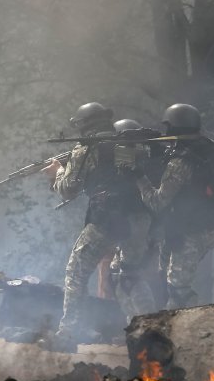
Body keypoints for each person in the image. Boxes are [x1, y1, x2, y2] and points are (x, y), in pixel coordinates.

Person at [40, 103, 155, 351]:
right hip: (140, 217)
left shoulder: (86, 148)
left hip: (108, 217)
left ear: (83, 125)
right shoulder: (130, 145)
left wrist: (57, 172)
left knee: (76, 273)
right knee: (129, 273)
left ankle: (68, 335)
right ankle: (150, 333)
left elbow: (68, 188)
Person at [127, 103, 214, 309]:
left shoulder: (181, 161)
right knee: (166, 278)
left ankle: (206, 326)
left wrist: (138, 176)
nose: (167, 133)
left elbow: (157, 202)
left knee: (178, 288)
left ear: (176, 128)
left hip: (194, 230)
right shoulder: (205, 148)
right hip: (201, 225)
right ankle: (171, 328)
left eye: (169, 128)